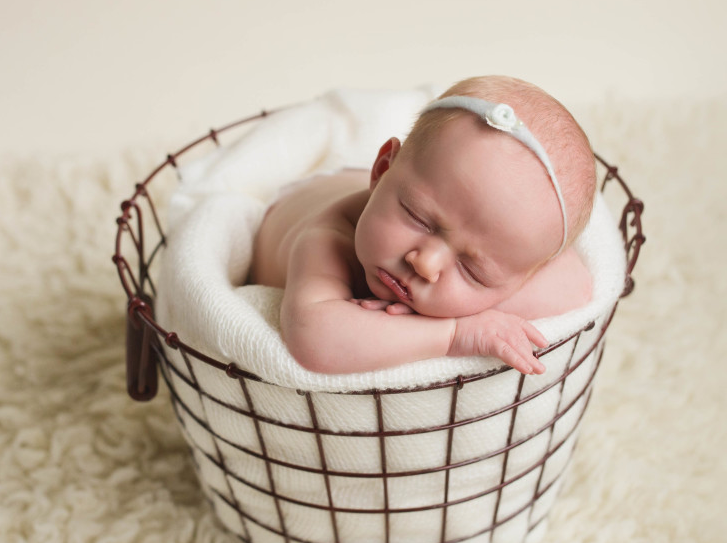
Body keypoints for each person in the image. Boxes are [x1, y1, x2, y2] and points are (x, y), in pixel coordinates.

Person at [248, 75, 595, 375]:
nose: (425, 263)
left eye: (473, 270)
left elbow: (575, 287)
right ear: (382, 169)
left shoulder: (496, 246)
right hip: (303, 199)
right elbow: (313, 337)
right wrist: (454, 333)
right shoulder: (327, 237)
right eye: (418, 218)